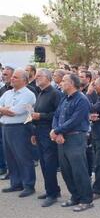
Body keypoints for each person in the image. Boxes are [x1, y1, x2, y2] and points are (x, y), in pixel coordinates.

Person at [52, 73, 93, 212]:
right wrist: (57, 131)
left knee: (79, 170)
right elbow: (57, 115)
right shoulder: (64, 98)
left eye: (63, 81)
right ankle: (75, 196)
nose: (61, 83)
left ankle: (86, 200)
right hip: (62, 137)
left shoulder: (82, 99)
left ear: (71, 83)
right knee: (66, 170)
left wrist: (57, 130)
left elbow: (75, 120)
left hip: (76, 138)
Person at [0, 69, 36, 197]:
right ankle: (16, 183)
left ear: (24, 80)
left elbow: (15, 112)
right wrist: (5, 109)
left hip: (20, 128)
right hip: (6, 127)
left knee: (23, 157)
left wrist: (5, 110)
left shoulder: (28, 94)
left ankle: (28, 184)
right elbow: (6, 110)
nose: (12, 79)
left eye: (15, 77)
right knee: (10, 157)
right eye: (12, 77)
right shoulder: (8, 93)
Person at [31, 69, 62, 207]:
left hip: (49, 132)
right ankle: (52, 189)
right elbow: (36, 113)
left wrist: (41, 116)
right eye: (36, 76)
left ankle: (52, 194)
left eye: (39, 76)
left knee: (49, 163)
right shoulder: (40, 93)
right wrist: (33, 132)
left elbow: (58, 114)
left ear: (48, 78)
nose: (36, 78)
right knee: (43, 163)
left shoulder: (55, 93)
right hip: (39, 131)